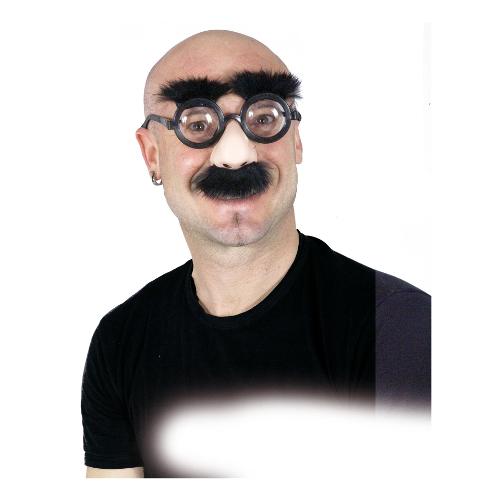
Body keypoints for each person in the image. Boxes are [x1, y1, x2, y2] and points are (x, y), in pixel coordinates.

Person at [81, 29, 431, 478]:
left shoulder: (400, 329)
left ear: (295, 140)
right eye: (197, 124)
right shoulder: (120, 341)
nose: (236, 154)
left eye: (264, 117)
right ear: (151, 154)